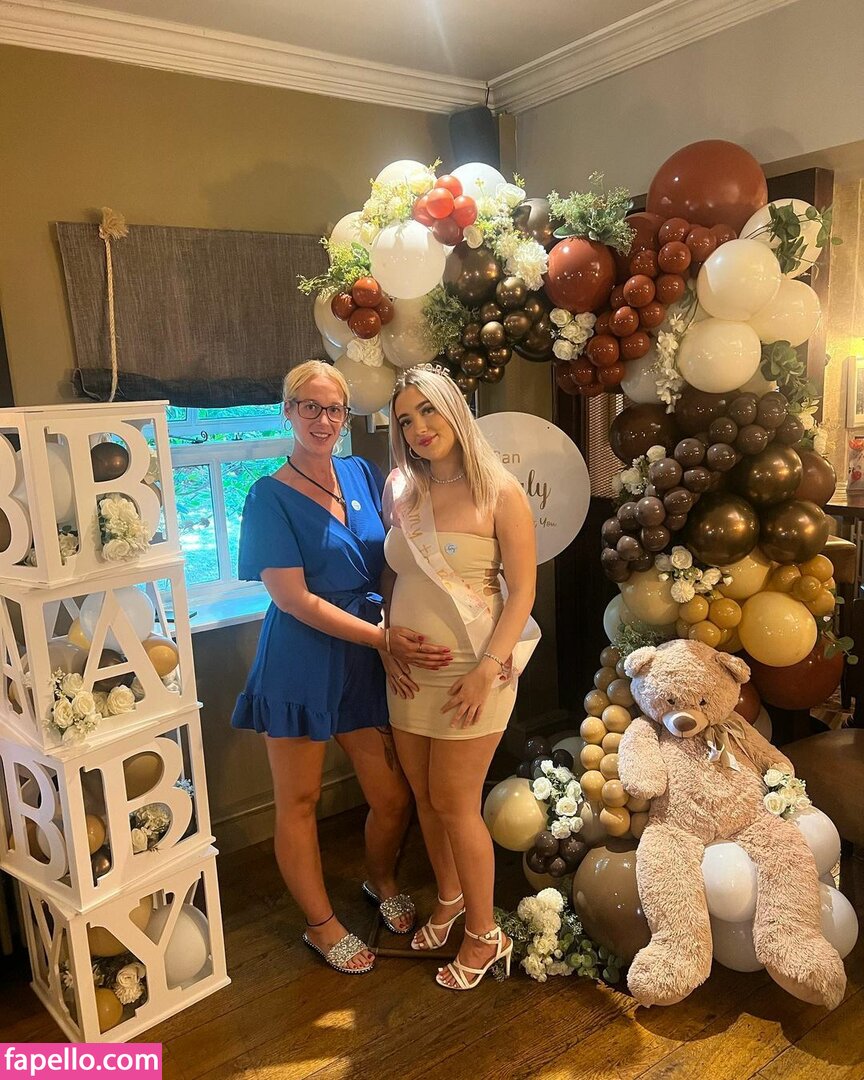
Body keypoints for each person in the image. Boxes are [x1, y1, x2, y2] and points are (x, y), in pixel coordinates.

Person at [231, 360, 453, 975]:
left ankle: (380, 880)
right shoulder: (267, 495)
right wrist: (385, 638)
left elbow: (393, 557)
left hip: (364, 655)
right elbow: (293, 599)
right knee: (299, 800)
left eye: (334, 408)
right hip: (300, 660)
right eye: (310, 406)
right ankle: (320, 924)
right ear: (288, 411)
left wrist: (392, 631)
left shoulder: (362, 472)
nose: (324, 419)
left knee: (392, 795)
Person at [381, 364, 538, 991]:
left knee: (454, 801)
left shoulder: (501, 492)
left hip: (476, 671)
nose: (419, 427)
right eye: (405, 420)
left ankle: (484, 932)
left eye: (428, 410)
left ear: (454, 408)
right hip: (408, 676)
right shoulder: (403, 490)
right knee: (424, 795)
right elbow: (396, 575)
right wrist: (387, 639)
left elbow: (522, 592)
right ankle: (449, 898)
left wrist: (487, 671)